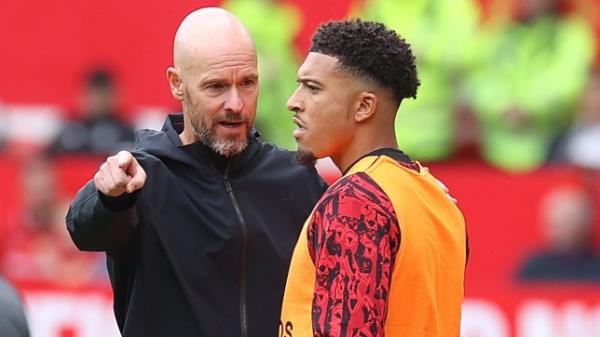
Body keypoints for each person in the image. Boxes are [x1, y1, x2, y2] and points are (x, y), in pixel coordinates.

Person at [66, 8, 325, 337]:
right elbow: (83, 230)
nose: (236, 104)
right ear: (177, 84)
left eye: (247, 83)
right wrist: (109, 196)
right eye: (216, 87)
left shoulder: (296, 177)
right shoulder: (141, 176)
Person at [280, 19, 468, 337]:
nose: (294, 101)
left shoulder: (355, 200)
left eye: (313, 88)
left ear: (364, 106)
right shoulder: (440, 198)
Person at [517, 186, 600, 281]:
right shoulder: (534, 268)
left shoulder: (596, 267)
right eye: (556, 221)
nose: (562, 227)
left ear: (586, 223)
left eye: (568, 220)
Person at [48, 67, 135, 155]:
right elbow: (48, 159)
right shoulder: (69, 129)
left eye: (103, 93)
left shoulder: (124, 132)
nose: (97, 100)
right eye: (93, 93)